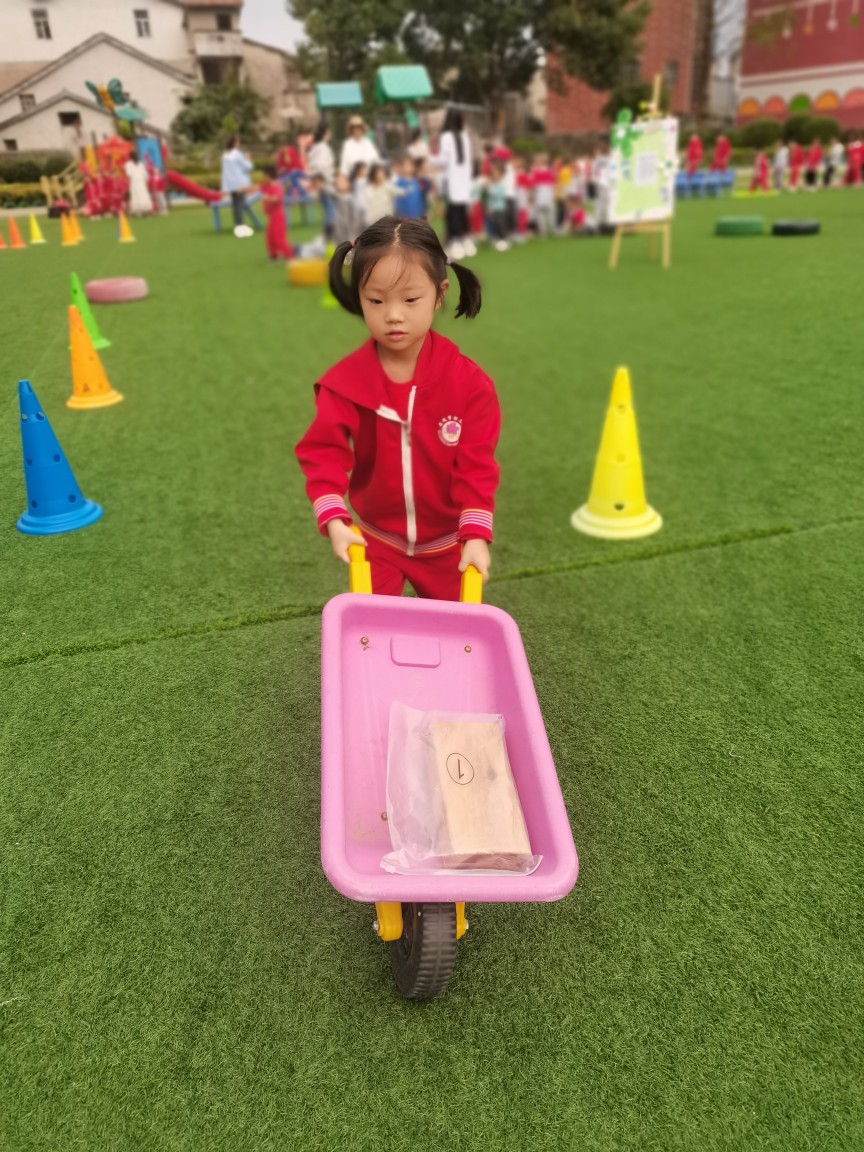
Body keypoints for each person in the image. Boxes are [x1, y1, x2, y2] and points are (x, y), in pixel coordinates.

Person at [295, 215, 498, 600]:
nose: (393, 315)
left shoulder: (470, 385)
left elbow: (477, 467)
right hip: (375, 544)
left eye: (410, 299)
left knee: (453, 630)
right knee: (371, 630)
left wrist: (474, 536)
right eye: (376, 300)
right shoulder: (345, 384)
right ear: (360, 297)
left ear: (439, 294)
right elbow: (322, 453)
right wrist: (335, 519)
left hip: (448, 549)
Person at [436, 107, 475, 260]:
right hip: (464, 180)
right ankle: (465, 239)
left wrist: (431, 160)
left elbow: (443, 160)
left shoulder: (446, 137)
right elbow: (469, 162)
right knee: (461, 211)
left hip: (451, 180)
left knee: (452, 212)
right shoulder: (465, 137)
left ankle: (454, 241)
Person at [307, 121, 336, 240]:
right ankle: (327, 236)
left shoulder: (315, 148)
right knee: (331, 212)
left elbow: (313, 166)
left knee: (329, 210)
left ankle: (326, 236)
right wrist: (323, 179)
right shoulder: (323, 148)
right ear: (326, 132)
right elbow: (321, 166)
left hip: (321, 182)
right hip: (325, 183)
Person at [221, 134, 254, 235]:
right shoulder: (237, 154)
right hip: (240, 183)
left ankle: (238, 224)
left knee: (235, 205)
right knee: (239, 205)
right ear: (234, 143)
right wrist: (248, 158)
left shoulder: (225, 155)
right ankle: (240, 226)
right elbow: (247, 167)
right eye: (238, 142)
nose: (239, 144)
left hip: (230, 184)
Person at [260, 165, 293, 261]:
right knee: (269, 237)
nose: (263, 178)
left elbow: (277, 199)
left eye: (264, 176)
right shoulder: (268, 186)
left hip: (278, 216)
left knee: (278, 238)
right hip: (271, 217)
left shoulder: (277, 186)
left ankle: (289, 255)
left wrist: (267, 198)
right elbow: (257, 188)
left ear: (269, 176)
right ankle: (273, 255)